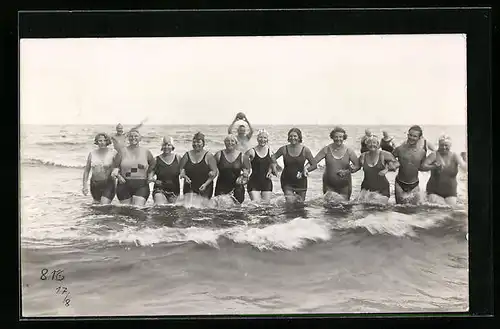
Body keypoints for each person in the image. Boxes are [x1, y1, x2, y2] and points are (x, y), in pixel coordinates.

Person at [310, 127, 360, 201]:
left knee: (345, 208)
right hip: (329, 185)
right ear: (332, 137)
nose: (338, 139)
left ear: (344, 137)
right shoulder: (326, 149)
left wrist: (347, 171)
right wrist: (305, 170)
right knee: (329, 208)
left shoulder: (349, 151)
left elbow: (357, 166)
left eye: (340, 137)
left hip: (345, 186)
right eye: (336, 137)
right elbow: (313, 162)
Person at [110, 129, 156, 206]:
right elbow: (114, 166)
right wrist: (118, 176)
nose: (133, 138)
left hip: (141, 184)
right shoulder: (122, 151)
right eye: (131, 136)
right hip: (124, 184)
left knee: (138, 210)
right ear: (128, 138)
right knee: (126, 212)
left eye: (136, 136)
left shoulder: (146, 151)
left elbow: (153, 165)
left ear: (140, 138)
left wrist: (150, 175)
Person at [271, 128, 317, 203]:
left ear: (299, 137)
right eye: (291, 136)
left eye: (295, 136)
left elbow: (314, 164)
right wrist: (275, 166)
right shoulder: (284, 149)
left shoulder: (305, 150)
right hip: (287, 180)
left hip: (301, 180)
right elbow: (273, 157)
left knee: (300, 205)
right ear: (288, 138)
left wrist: (306, 169)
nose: (293, 138)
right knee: (290, 204)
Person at [420, 135, 467, 206]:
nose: (444, 147)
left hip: (450, 192)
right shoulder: (434, 155)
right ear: (438, 145)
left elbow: (464, 167)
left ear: (450, 146)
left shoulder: (455, 156)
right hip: (434, 191)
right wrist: (434, 167)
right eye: (441, 145)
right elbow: (422, 167)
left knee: (451, 209)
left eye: (446, 145)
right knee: (439, 209)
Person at [392, 125, 433, 204]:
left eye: (415, 136)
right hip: (400, 183)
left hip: (414, 184)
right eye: (410, 135)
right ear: (407, 135)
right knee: (399, 209)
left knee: (415, 210)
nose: (412, 137)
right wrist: (391, 166)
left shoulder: (422, 152)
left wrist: (433, 167)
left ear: (419, 138)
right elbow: (390, 159)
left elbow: (421, 167)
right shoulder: (400, 149)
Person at [352, 135, 399, 202]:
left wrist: (386, 169)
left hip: (382, 189)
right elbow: (356, 167)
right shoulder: (363, 156)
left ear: (378, 145)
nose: (372, 145)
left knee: (378, 209)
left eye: (374, 143)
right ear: (367, 145)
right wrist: (345, 171)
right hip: (366, 189)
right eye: (369, 143)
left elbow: (397, 163)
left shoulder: (384, 154)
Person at [179, 132, 218, 199]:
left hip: (205, 186)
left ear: (203, 143)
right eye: (194, 142)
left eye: (198, 142)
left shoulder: (209, 156)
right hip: (190, 186)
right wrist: (184, 176)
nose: (196, 144)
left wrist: (206, 184)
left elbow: (215, 172)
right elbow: (181, 169)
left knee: (203, 208)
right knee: (188, 207)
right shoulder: (186, 155)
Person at [214, 134, 251, 204]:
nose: (230, 143)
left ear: (236, 143)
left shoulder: (242, 156)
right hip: (221, 187)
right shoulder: (218, 155)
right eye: (227, 141)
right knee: (220, 211)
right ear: (224, 143)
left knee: (236, 210)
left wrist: (244, 175)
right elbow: (211, 169)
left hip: (237, 188)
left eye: (232, 141)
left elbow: (247, 170)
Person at [82, 133, 117, 204]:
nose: (102, 143)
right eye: (100, 141)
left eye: (104, 140)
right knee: (96, 206)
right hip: (95, 184)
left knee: (104, 205)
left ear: (108, 141)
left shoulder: (113, 153)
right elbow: (87, 170)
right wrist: (85, 185)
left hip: (109, 183)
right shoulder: (92, 153)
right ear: (97, 142)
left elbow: (118, 166)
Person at [245, 129, 275, 202]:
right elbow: (242, 161)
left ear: (267, 139)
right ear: (257, 139)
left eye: (265, 138)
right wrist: (245, 172)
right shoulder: (251, 151)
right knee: (256, 205)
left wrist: (270, 171)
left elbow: (274, 163)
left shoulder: (270, 151)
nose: (262, 139)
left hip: (266, 182)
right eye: (260, 137)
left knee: (266, 206)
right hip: (253, 182)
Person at [152, 136, 182, 205]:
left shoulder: (178, 158)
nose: (166, 147)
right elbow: (149, 176)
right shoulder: (156, 160)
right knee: (160, 207)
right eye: (164, 145)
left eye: (169, 145)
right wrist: (154, 180)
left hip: (174, 192)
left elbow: (184, 172)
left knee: (173, 211)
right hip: (159, 190)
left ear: (172, 146)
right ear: (162, 147)